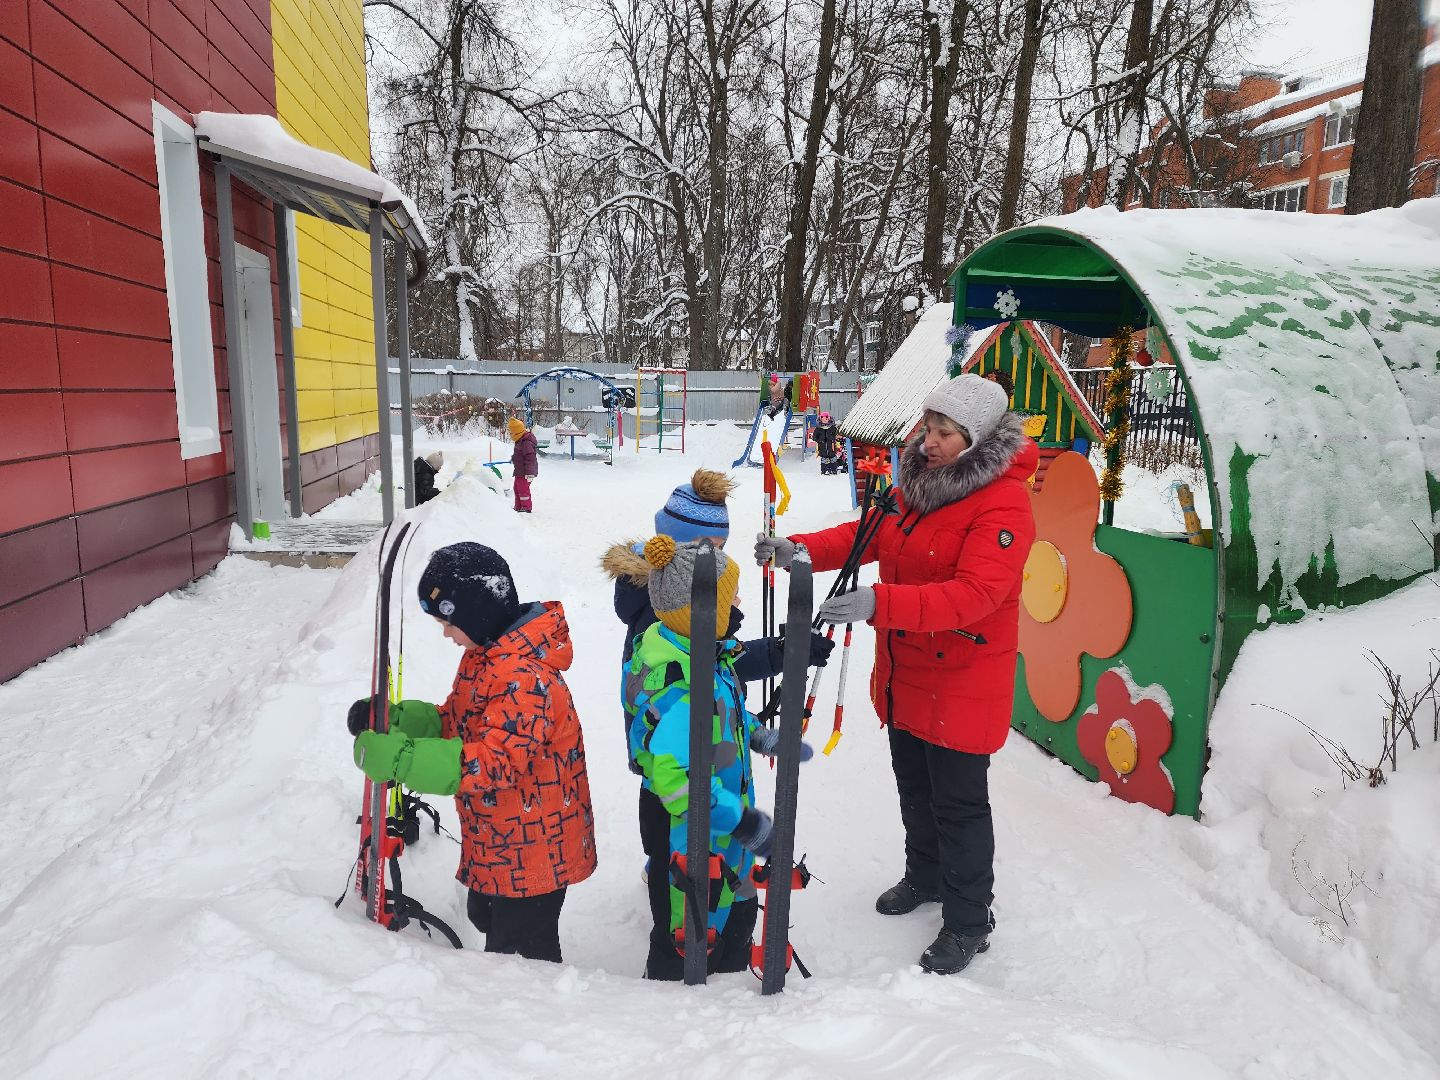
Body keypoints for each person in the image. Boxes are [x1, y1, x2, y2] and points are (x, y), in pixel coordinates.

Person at [754, 374, 1037, 976]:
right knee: (914, 784)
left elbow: (976, 594)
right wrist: (797, 548)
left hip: (963, 674)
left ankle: (969, 921)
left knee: (959, 803)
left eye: (944, 433)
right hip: (907, 667)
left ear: (977, 440)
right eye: (927, 428)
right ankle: (926, 876)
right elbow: (866, 536)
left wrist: (881, 605)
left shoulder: (1004, 502)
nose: (928, 442)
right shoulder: (917, 488)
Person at [348, 542, 596, 963]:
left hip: (534, 853)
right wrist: (400, 721)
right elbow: (458, 721)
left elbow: (494, 762)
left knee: (519, 958)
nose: (446, 633)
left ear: (478, 615)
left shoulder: (525, 680)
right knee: (484, 913)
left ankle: (531, 1019)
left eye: (449, 622)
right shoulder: (485, 655)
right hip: (501, 840)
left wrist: (403, 760)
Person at [625, 535, 801, 980]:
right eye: (731, 596)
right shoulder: (681, 685)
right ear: (700, 613)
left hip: (716, 812)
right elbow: (673, 775)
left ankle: (729, 976)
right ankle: (679, 1002)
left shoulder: (696, 652)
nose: (740, 601)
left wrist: (761, 736)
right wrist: (741, 823)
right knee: (688, 925)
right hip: (687, 820)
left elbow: (726, 705)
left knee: (734, 903)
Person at [508, 417, 539, 513]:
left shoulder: (526, 442)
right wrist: (514, 459)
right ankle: (518, 507)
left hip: (525, 472)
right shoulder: (520, 440)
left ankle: (526, 508)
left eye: (511, 433)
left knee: (523, 490)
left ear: (517, 432)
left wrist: (530, 473)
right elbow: (520, 454)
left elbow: (530, 458)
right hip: (519, 470)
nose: (510, 435)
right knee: (516, 488)